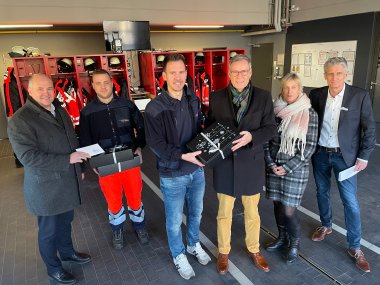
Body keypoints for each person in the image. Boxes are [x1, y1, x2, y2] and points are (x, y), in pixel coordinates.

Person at [7, 74, 92, 285]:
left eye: (49, 89)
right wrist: (68, 159)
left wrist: (79, 165)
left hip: (66, 181)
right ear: (29, 91)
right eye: (40, 89)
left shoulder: (59, 109)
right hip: (46, 188)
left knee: (65, 223)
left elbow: (71, 141)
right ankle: (53, 269)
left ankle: (67, 253)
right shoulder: (21, 119)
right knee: (48, 231)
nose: (46, 93)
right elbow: (28, 157)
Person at [206, 54, 276, 274]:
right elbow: (209, 127)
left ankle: (254, 249)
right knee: (224, 213)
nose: (239, 75)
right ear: (229, 72)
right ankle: (224, 251)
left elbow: (271, 128)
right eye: (235, 71)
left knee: (252, 212)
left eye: (244, 71)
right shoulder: (216, 97)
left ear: (251, 72)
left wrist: (251, 137)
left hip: (251, 163)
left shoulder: (264, 97)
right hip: (225, 164)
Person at [144, 54, 211, 280]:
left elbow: (198, 129)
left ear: (186, 73)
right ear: (163, 76)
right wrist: (183, 156)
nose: (178, 77)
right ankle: (178, 254)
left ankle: (193, 244)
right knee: (173, 221)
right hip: (172, 173)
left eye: (181, 72)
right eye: (172, 72)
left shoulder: (193, 98)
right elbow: (155, 144)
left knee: (196, 213)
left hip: (196, 170)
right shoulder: (154, 107)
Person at [309, 57, 376, 273]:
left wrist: (363, 156)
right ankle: (326, 225)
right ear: (325, 75)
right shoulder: (317, 95)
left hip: (345, 158)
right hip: (320, 153)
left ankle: (355, 247)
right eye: (330, 73)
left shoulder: (359, 95)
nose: (334, 78)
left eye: (339, 73)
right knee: (321, 191)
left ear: (345, 75)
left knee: (350, 201)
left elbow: (369, 129)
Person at [79, 69, 149, 250]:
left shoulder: (127, 105)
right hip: (105, 162)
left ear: (112, 83)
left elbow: (142, 128)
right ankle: (117, 229)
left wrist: (140, 146)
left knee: (135, 196)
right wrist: (92, 161)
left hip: (129, 158)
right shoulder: (87, 113)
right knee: (113, 199)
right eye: (98, 83)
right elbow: (85, 140)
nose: (103, 86)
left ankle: (139, 226)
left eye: (106, 82)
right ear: (92, 86)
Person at [264, 73, 318, 263]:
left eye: (293, 87)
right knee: (277, 204)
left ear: (300, 89)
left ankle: (294, 244)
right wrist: (271, 164)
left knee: (289, 210)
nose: (289, 91)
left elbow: (310, 147)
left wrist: (286, 167)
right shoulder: (274, 111)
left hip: (295, 169)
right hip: (273, 167)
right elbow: (266, 139)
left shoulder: (310, 113)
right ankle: (281, 237)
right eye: (286, 87)